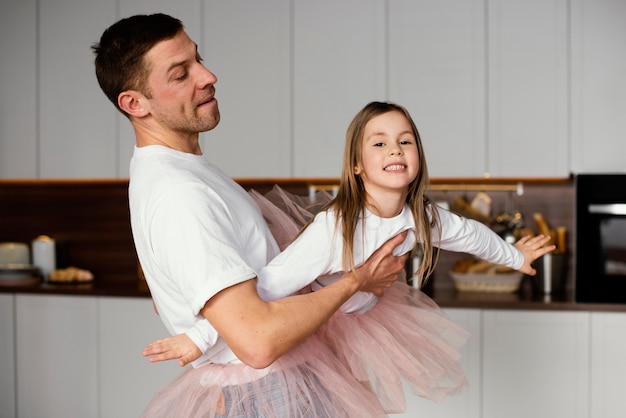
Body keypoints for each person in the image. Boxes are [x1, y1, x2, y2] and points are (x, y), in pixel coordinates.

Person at [92, 13, 409, 418]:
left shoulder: (177, 172)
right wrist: (357, 282)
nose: (208, 76)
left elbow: (182, 295)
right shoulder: (180, 192)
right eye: (180, 73)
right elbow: (257, 342)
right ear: (135, 104)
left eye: (198, 59)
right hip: (273, 395)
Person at [145, 101, 555, 413]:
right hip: (315, 305)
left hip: (362, 313)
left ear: (417, 157)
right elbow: (270, 286)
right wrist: (200, 336)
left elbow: (470, 235)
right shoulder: (337, 228)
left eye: (405, 141)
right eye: (380, 143)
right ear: (358, 165)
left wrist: (513, 256)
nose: (395, 149)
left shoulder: (424, 215)